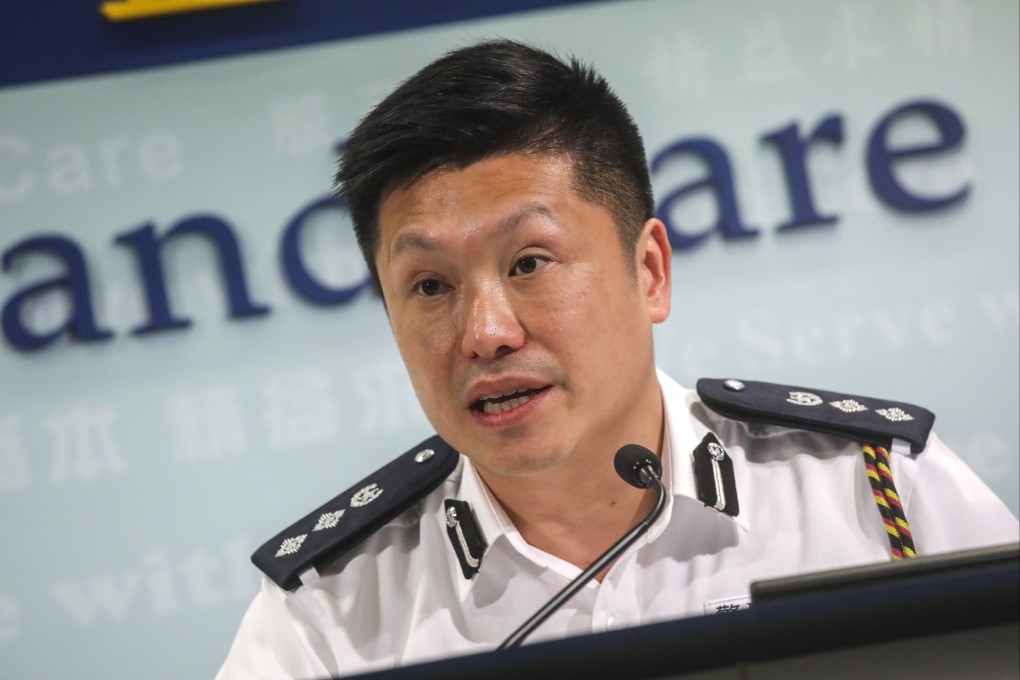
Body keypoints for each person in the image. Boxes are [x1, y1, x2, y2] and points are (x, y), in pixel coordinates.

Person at [217, 39, 1018, 679]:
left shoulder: (873, 489)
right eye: (430, 285)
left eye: (530, 263)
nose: (485, 334)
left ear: (651, 272)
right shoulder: (328, 616)